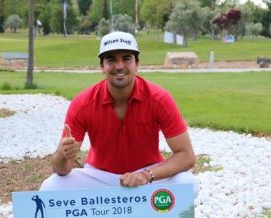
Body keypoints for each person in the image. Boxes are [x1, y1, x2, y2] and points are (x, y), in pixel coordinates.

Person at [40, 31, 198, 195]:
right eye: (111, 60)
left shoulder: (160, 99)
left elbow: (187, 156)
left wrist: (146, 175)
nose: (119, 66)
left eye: (126, 58)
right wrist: (62, 154)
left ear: (137, 63)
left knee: (187, 183)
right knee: (50, 187)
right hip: (100, 176)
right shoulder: (82, 103)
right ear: (102, 66)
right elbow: (61, 169)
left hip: (146, 175)